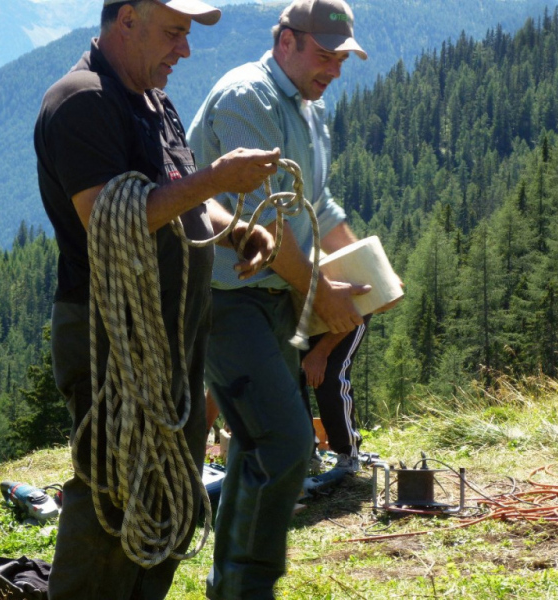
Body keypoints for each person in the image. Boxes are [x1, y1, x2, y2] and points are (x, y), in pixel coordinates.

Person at [33, 1, 280, 598]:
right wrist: (217, 177)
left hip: (170, 331)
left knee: (171, 475)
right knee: (114, 482)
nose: (184, 50)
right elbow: (109, 220)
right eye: (174, 33)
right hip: (109, 332)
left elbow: (181, 198)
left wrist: (239, 226)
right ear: (127, 21)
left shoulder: (154, 102)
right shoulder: (82, 101)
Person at [187, 0, 369, 597]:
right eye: (324, 56)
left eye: (341, 58)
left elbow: (319, 203)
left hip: (271, 301)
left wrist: (372, 270)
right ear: (285, 41)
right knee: (288, 441)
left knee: (257, 443)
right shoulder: (251, 98)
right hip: (225, 295)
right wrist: (323, 291)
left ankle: (231, 585)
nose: (334, 70)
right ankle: (248, 588)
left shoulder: (308, 109)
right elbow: (267, 222)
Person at [301, 314, 371, 474]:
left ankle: (348, 454)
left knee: (331, 375)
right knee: (290, 376)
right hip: (305, 312)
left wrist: (321, 352)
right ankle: (305, 453)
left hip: (353, 308)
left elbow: (356, 311)